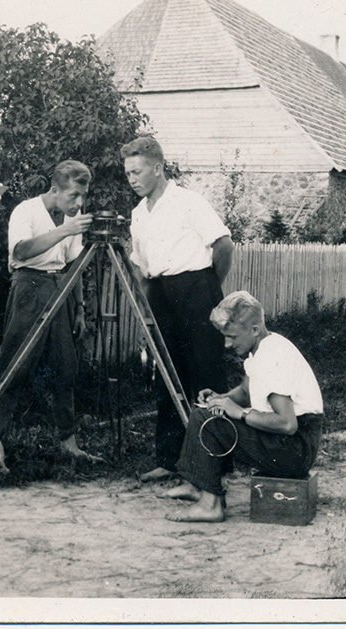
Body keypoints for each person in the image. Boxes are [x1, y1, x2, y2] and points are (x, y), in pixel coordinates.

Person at [121, 135, 234, 483]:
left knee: (205, 375)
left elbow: (224, 244)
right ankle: (169, 460)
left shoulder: (188, 201)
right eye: (127, 174)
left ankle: (214, 463)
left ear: (157, 168)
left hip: (197, 288)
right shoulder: (138, 214)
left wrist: (209, 288)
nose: (132, 179)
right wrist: (149, 303)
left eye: (137, 172)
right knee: (167, 376)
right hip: (161, 293)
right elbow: (140, 267)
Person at [0, 160, 104, 473]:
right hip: (28, 287)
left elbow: (74, 266)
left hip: (59, 288)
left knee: (66, 367)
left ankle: (69, 444)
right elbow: (21, 252)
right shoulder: (26, 211)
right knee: (13, 366)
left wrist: (79, 308)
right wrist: (65, 230)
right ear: (55, 190)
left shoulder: (72, 218)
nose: (79, 203)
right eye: (74, 195)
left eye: (83, 196)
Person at [163, 291, 325, 523]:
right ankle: (198, 486)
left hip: (295, 448)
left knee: (206, 423)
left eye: (232, 337)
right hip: (293, 444)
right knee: (205, 412)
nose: (227, 344)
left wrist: (239, 412)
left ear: (255, 330)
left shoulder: (271, 356)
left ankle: (211, 505)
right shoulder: (264, 347)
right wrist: (220, 398)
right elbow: (245, 392)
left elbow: (288, 423)